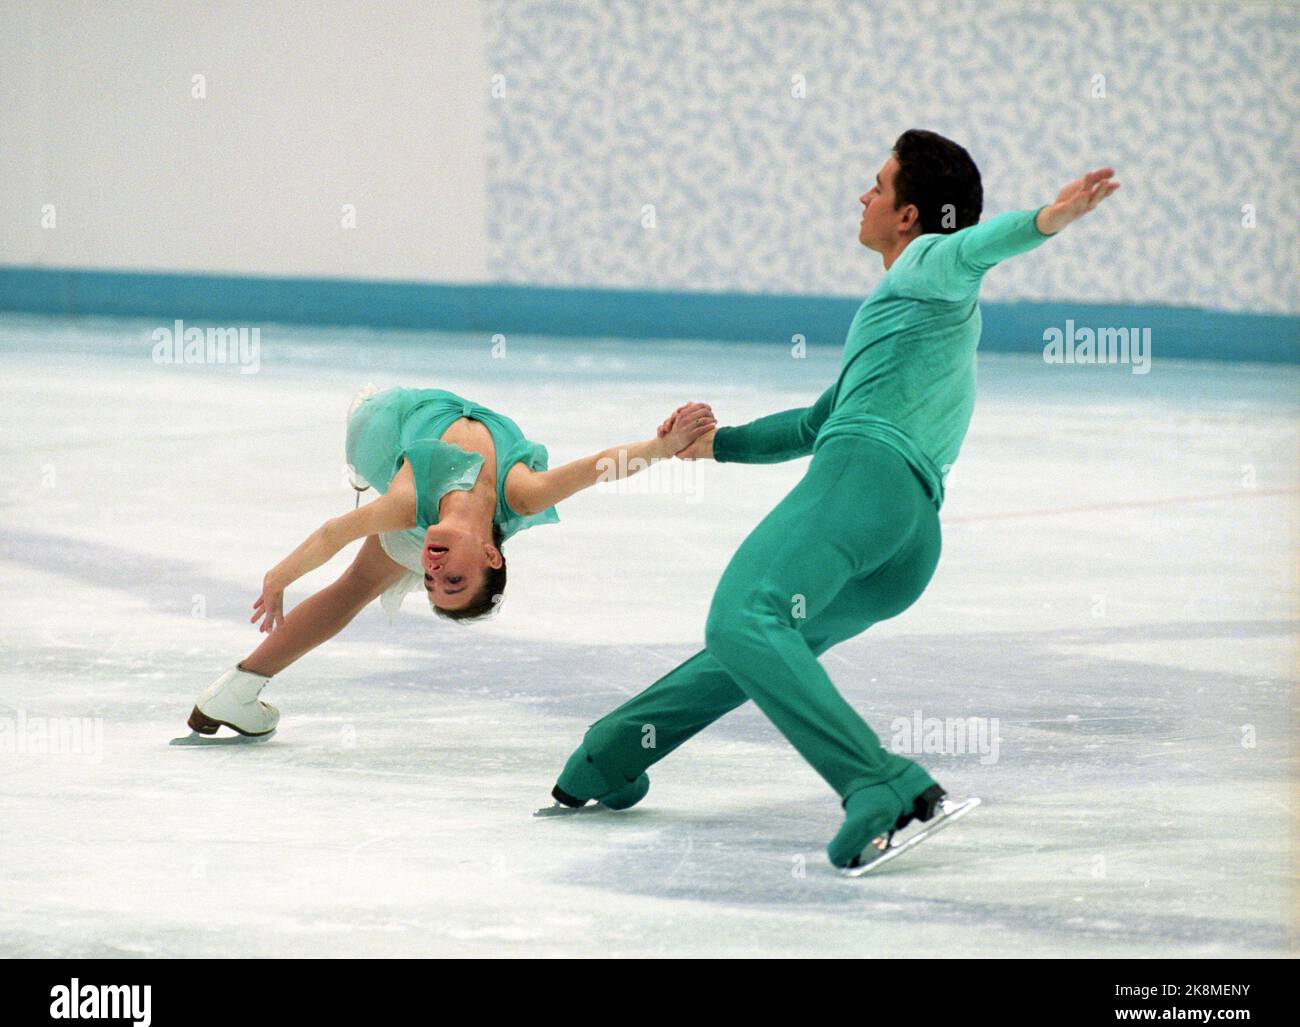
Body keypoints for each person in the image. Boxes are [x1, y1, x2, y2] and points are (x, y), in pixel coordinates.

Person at [548, 129, 1120, 870]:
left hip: (865, 483)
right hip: (907, 542)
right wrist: (713, 443)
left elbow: (973, 247)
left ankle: (880, 782)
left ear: (910, 216)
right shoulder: (912, 316)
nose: (864, 196)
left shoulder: (926, 265)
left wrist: (1047, 219)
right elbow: (816, 423)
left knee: (743, 620)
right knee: (756, 646)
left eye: (878, 186)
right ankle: (612, 753)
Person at [180, 385, 716, 740]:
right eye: (451, 578)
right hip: (377, 420)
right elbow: (597, 470)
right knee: (359, 584)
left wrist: (281, 576)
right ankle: (237, 691)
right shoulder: (522, 492)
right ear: (490, 552)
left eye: (434, 583)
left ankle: (236, 691)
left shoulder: (409, 505)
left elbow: (334, 533)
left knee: (360, 581)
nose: (433, 572)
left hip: (403, 457)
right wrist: (662, 445)